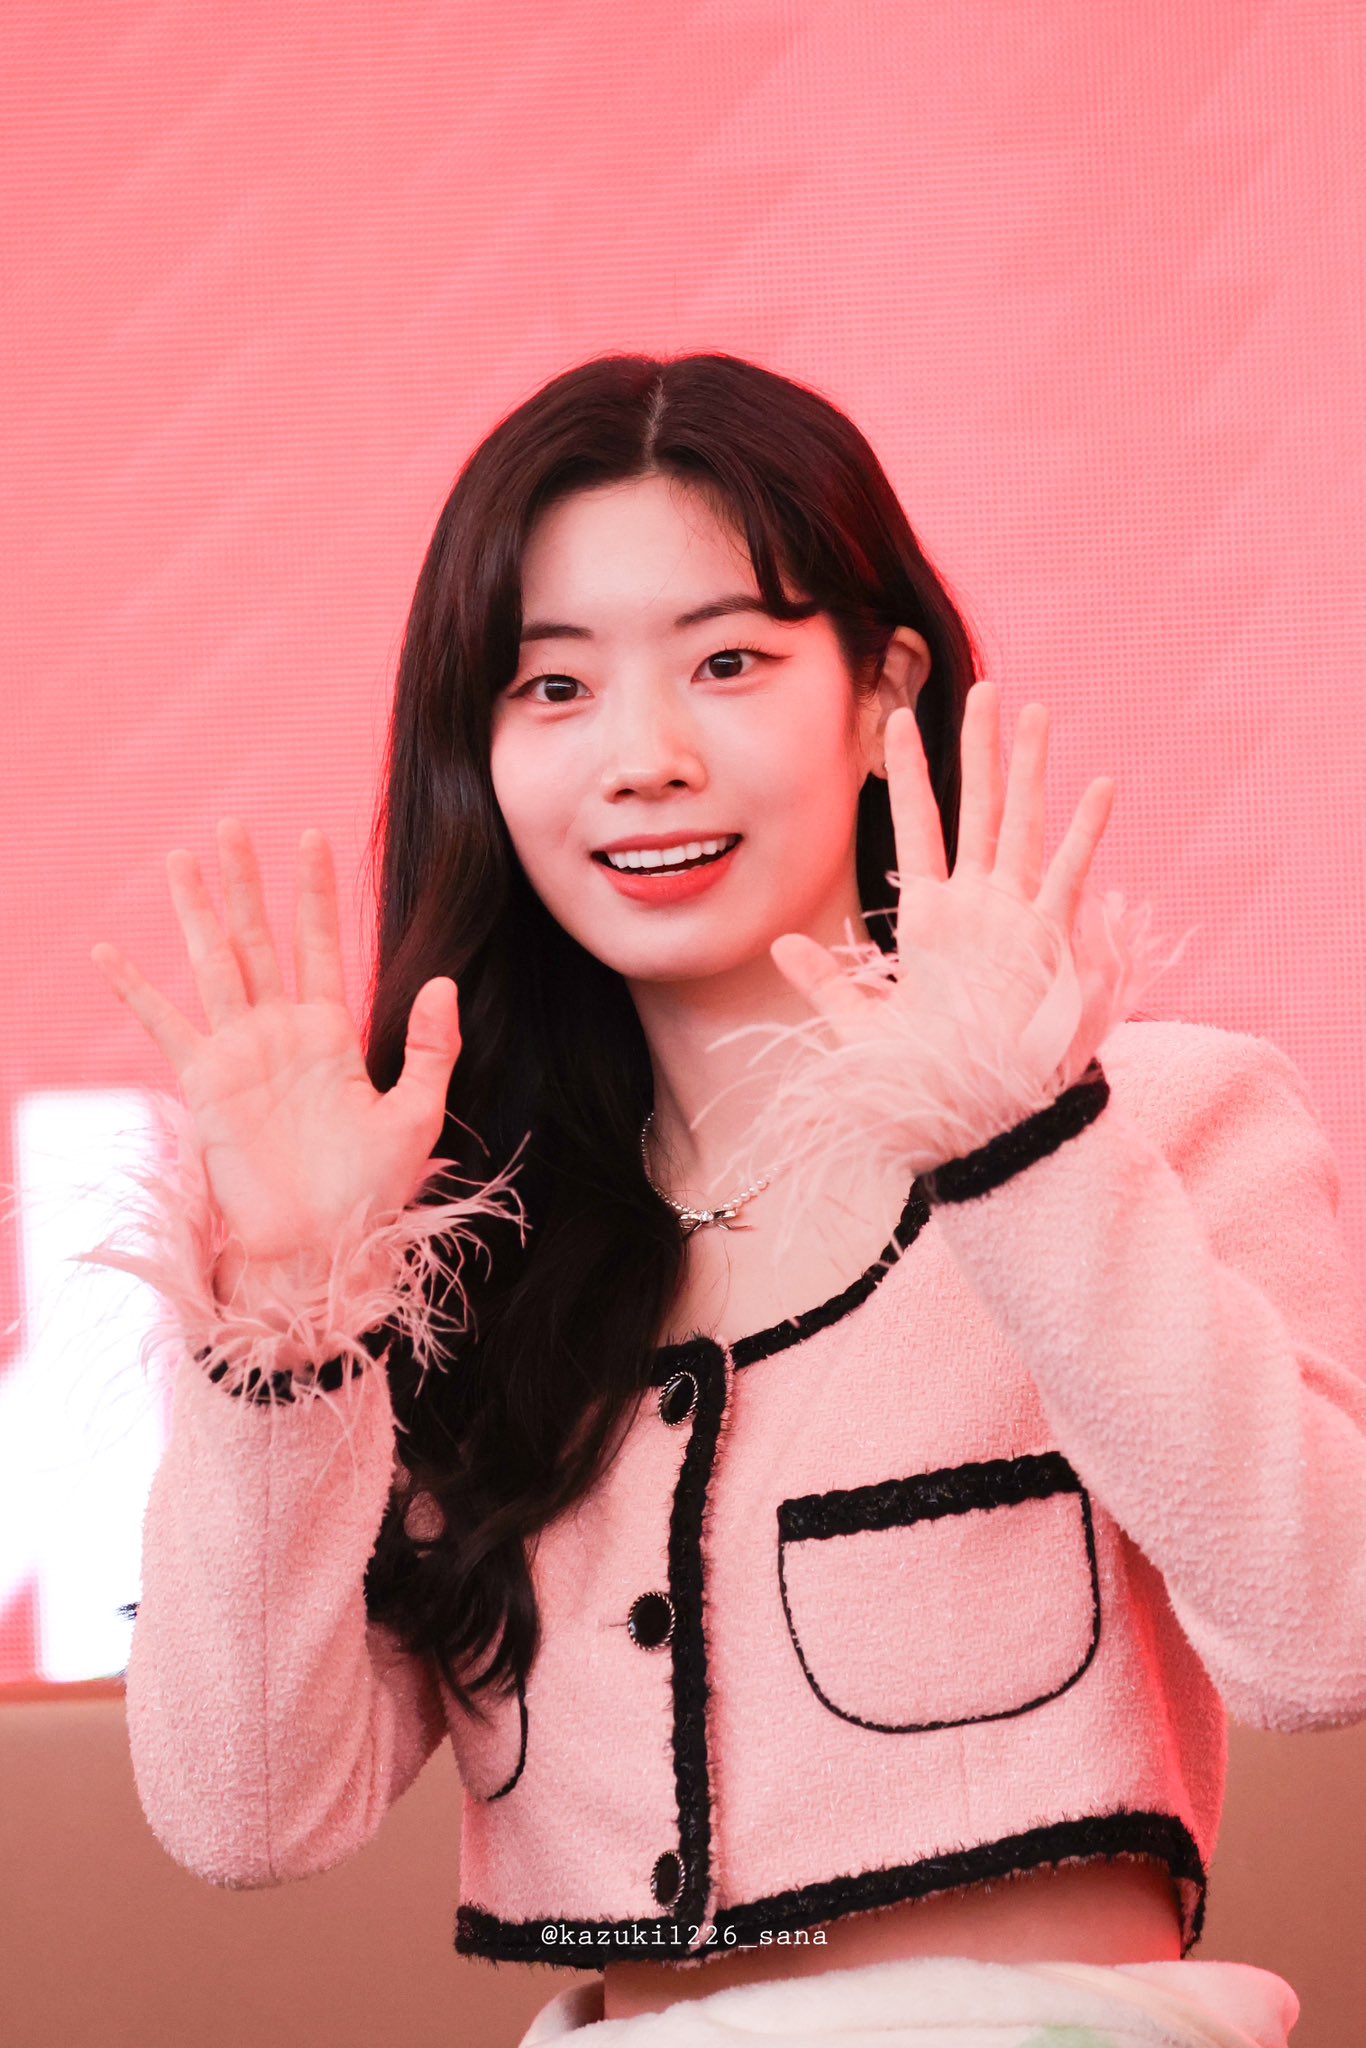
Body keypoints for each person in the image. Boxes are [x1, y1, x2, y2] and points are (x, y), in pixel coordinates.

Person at [87, 352, 1366, 2047]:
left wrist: (1011, 1144)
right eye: (553, 687)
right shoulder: (470, 1243)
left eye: (728, 662)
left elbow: (1324, 1639)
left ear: (881, 688)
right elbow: (246, 1813)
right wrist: (292, 1310)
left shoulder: (1156, 1119)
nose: (643, 758)